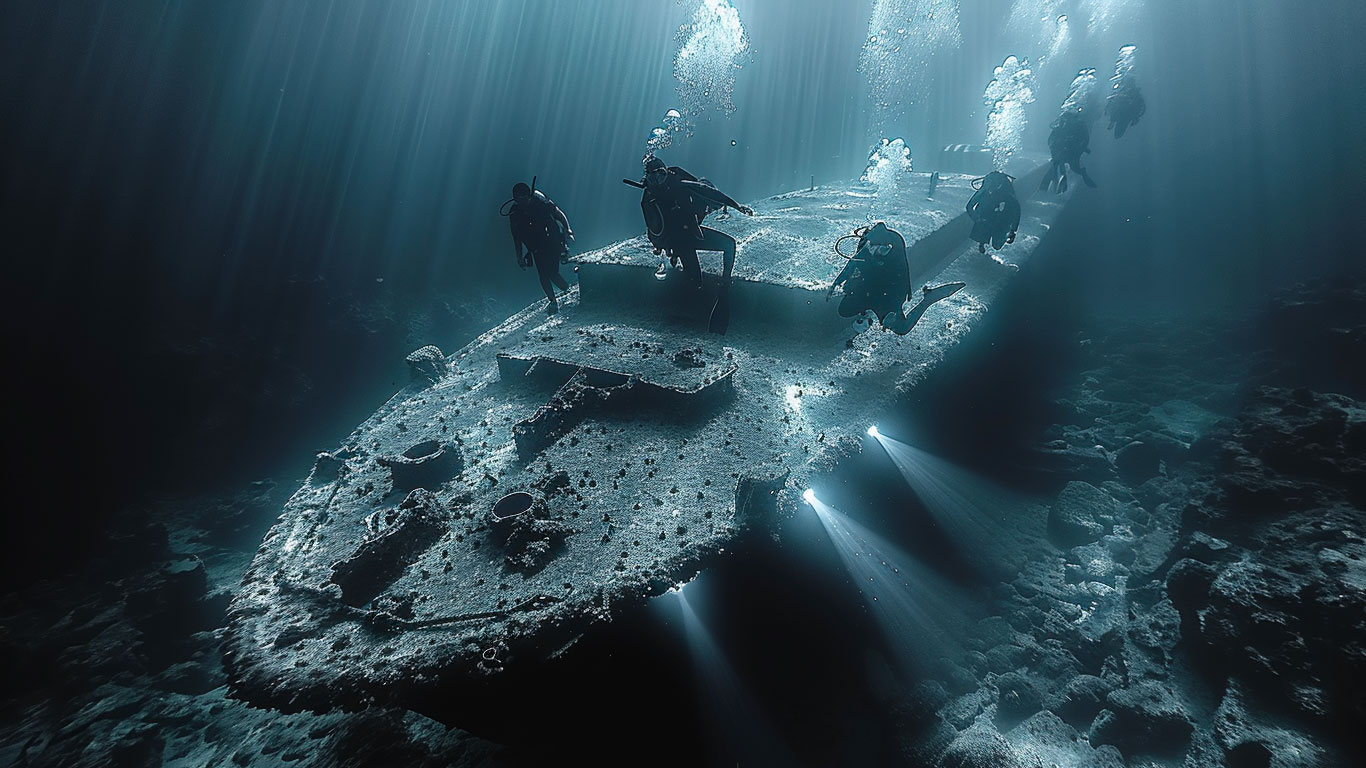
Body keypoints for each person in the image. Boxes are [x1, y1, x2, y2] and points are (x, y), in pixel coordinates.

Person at [826, 222, 961, 336]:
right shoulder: (867, 249)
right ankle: (867, 312)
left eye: (882, 248)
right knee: (844, 310)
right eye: (874, 247)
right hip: (868, 288)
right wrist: (838, 281)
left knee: (902, 329)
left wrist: (895, 308)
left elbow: (902, 275)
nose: (877, 251)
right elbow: (853, 263)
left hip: (887, 293)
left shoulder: (895, 253)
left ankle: (928, 300)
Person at [638, 154, 754, 287]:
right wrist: (664, 248)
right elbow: (653, 231)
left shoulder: (680, 185)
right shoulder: (648, 201)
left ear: (667, 172)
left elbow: (709, 192)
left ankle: (726, 280)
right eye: (653, 178)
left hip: (691, 233)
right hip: (678, 242)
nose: (659, 181)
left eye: (661, 174)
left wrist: (736, 206)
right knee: (695, 281)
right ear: (647, 178)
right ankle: (685, 285)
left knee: (729, 244)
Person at [507, 181, 574, 315]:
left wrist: (568, 230)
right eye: (519, 200)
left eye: (525, 198)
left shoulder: (540, 202)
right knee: (543, 274)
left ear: (529, 195)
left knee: (551, 272)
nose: (523, 202)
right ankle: (553, 300)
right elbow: (517, 237)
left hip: (552, 240)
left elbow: (559, 214)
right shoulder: (515, 213)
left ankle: (567, 289)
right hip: (536, 246)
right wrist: (519, 257)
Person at [1041, 111, 1097, 193]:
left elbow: (1050, 142)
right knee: (1068, 167)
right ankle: (1057, 184)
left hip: (1070, 152)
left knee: (1066, 167)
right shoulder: (1074, 128)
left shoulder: (1064, 128)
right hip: (1068, 152)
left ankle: (1055, 185)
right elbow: (1051, 142)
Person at [966, 171, 1021, 254]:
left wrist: (1013, 231)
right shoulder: (985, 190)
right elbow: (969, 206)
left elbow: (1016, 212)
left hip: (1001, 221)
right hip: (987, 219)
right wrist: (977, 219)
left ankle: (985, 242)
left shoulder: (1007, 194)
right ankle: (983, 242)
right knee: (987, 237)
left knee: (997, 245)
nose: (991, 191)